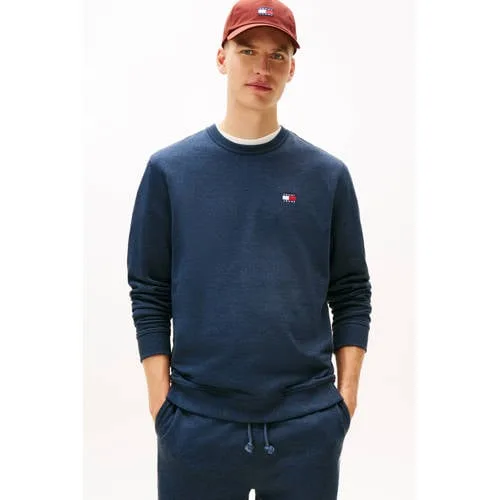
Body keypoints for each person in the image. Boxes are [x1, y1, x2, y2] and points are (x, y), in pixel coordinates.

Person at [127, 0, 372, 498]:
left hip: (306, 427)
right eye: (247, 50)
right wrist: (161, 402)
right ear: (222, 58)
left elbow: (351, 291)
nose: (263, 67)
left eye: (278, 55)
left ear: (292, 69)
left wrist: (344, 400)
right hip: (197, 426)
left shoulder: (326, 176)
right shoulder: (170, 171)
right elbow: (149, 289)